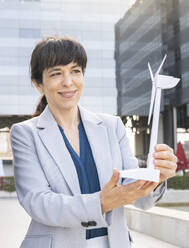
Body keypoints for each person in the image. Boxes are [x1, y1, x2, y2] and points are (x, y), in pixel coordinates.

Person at [10, 36, 177, 248]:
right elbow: (38, 202)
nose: (68, 82)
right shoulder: (25, 134)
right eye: (56, 73)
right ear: (38, 84)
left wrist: (157, 177)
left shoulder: (112, 126)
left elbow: (138, 195)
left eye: (75, 71)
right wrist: (102, 202)